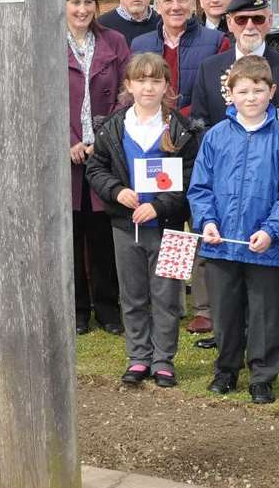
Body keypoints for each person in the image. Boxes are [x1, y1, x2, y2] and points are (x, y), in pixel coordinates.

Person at [189, 0, 279, 367]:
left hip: (272, 185)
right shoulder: (211, 69)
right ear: (229, 23)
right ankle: (231, 341)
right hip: (226, 187)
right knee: (228, 280)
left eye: (257, 19)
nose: (249, 26)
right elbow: (200, 121)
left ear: (269, 22)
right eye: (240, 19)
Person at [86, 53, 201, 388]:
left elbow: (192, 177)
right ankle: (138, 357)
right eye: (141, 80)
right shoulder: (113, 127)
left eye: (156, 80)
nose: (148, 87)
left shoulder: (183, 128)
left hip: (172, 228)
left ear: (167, 85)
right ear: (129, 85)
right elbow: (96, 168)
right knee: (134, 296)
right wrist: (117, 191)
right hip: (125, 227)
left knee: (168, 297)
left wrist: (162, 206)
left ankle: (164, 360)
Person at [189, 55, 279, 404]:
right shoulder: (215, 137)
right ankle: (226, 369)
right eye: (243, 91)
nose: (250, 98)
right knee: (225, 310)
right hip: (221, 243)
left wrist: (272, 230)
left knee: (265, 312)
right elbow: (200, 187)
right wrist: (207, 221)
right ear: (229, 95)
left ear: (272, 92)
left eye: (258, 90)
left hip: (264, 246)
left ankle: (262, 376)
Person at [66, 0, 129, 335]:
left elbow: (126, 94)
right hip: (66, 157)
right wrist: (68, 140)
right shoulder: (48, 44)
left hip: (104, 154)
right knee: (70, 234)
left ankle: (107, 308)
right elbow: (41, 96)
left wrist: (100, 140)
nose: (82, 9)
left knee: (103, 235)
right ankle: (76, 310)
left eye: (88, 2)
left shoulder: (114, 42)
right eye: (74, 2)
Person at [129, 0, 225, 111]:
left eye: (182, 0)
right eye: (168, 1)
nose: (175, 7)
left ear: (193, 4)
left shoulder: (218, 42)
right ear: (158, 6)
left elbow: (217, 95)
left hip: (197, 127)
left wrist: (177, 121)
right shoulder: (139, 45)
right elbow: (132, 94)